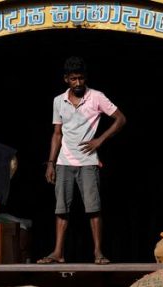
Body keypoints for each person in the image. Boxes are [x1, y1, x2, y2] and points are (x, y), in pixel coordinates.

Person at [39, 56, 126, 265]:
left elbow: (120, 119)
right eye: (73, 79)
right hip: (63, 162)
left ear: (85, 78)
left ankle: (98, 252)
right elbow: (57, 133)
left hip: (88, 162)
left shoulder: (96, 97)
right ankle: (58, 252)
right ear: (66, 79)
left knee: (93, 208)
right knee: (61, 209)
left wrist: (100, 140)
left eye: (80, 78)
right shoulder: (59, 101)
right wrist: (51, 163)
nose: (78, 83)